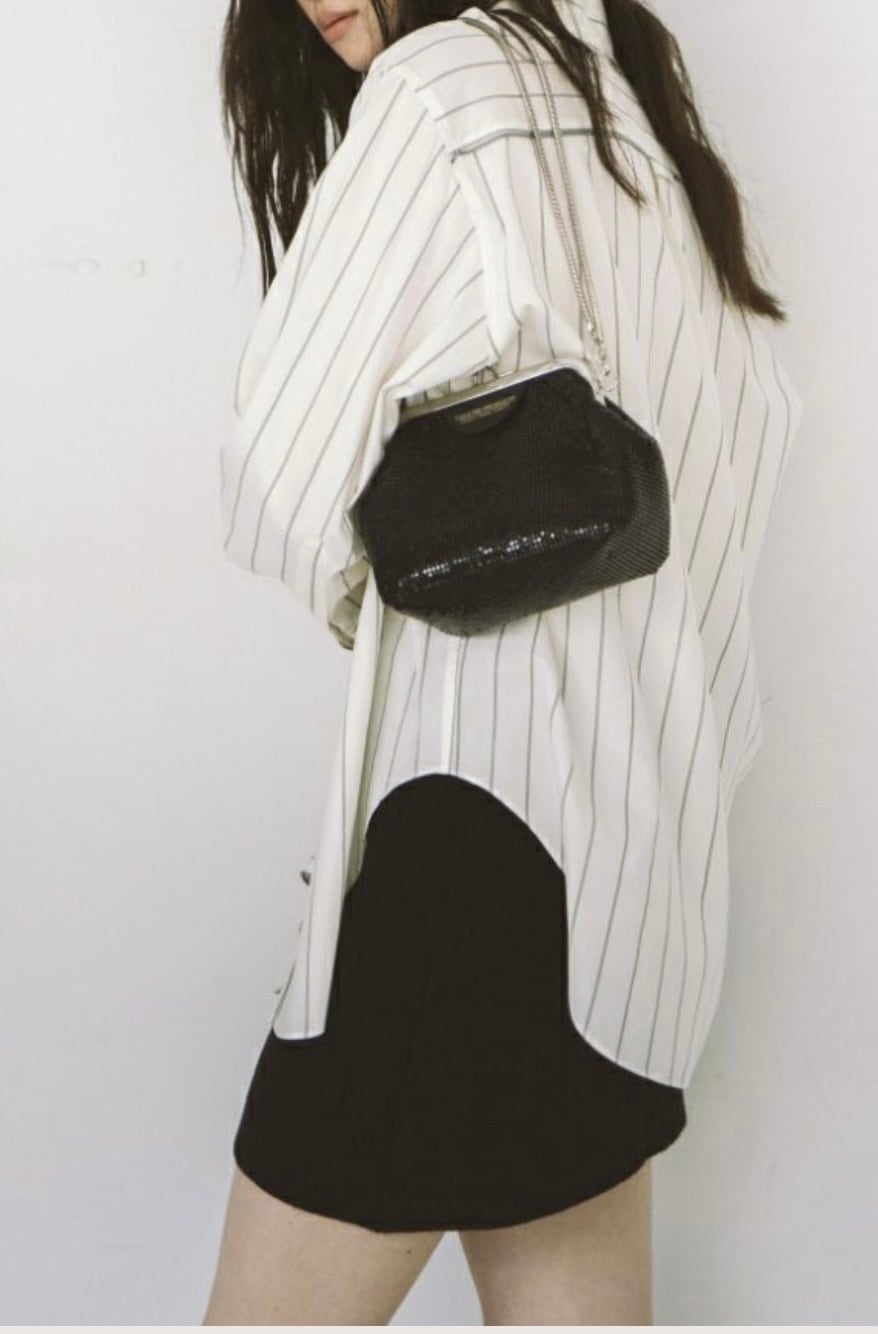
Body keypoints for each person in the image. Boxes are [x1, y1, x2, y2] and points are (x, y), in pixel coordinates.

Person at [204, 0, 803, 1322]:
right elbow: (736, 480)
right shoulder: (634, 103)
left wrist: (396, 590)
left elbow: (274, 483)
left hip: (475, 846)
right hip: (638, 887)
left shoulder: (439, 91)